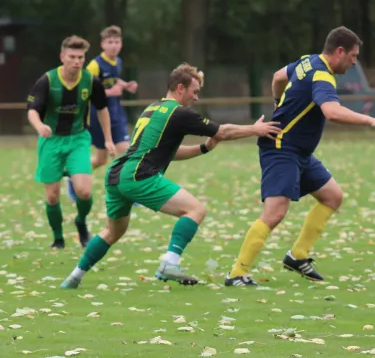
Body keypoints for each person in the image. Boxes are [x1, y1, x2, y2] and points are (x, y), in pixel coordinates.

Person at [60, 63, 281, 289]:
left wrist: (203, 148)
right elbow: (223, 131)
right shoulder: (179, 113)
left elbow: (168, 153)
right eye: (194, 92)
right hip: (139, 175)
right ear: (180, 88)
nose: (196, 98)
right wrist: (255, 130)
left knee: (112, 232)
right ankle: (169, 262)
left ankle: (74, 277)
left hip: (117, 176)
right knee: (195, 210)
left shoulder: (153, 108)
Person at [225, 26, 375, 287]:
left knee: (332, 197)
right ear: (339, 51)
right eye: (354, 56)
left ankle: (297, 256)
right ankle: (237, 273)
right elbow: (332, 112)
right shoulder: (322, 75)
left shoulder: (307, 61)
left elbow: (278, 76)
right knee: (275, 213)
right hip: (281, 149)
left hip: (299, 152)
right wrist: (371, 120)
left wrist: (277, 102)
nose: (355, 62)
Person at [26, 35, 115, 249]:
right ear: (62, 57)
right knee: (53, 196)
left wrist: (109, 139)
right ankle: (58, 238)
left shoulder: (91, 81)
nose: (77, 61)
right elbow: (32, 111)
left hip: (78, 139)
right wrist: (40, 127)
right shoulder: (47, 80)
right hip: (51, 141)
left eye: (80, 57)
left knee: (84, 192)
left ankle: (81, 222)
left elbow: (103, 110)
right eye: (72, 57)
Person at [67, 25, 137, 202]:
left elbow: (112, 80)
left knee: (126, 152)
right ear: (102, 44)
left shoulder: (118, 61)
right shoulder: (94, 65)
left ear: (121, 44)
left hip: (116, 112)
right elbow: (85, 91)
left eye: (117, 41)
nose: (114, 45)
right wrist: (109, 93)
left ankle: (131, 193)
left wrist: (126, 85)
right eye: (110, 42)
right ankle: (73, 174)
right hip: (98, 116)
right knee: (100, 159)